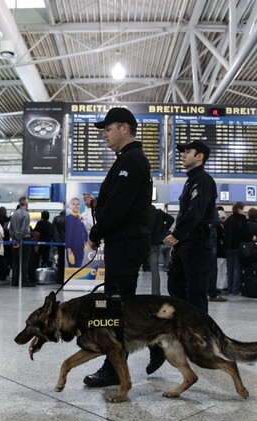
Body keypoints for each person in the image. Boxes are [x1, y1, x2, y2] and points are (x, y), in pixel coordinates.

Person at [81, 107, 152, 387]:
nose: (104, 135)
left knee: (113, 307)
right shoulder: (128, 159)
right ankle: (153, 346)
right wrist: (100, 205)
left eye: (108, 129)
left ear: (124, 128)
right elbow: (121, 203)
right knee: (118, 304)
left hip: (125, 243)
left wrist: (96, 233)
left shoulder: (131, 160)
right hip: (124, 242)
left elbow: (121, 209)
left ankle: (112, 369)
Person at [165, 140, 217, 312]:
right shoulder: (191, 180)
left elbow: (196, 212)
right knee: (176, 288)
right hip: (186, 244)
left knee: (195, 293)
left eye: (188, 152)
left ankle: (198, 335)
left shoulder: (202, 180)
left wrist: (176, 234)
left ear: (200, 156)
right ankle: (182, 331)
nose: (183, 155)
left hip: (197, 244)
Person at [223, 201, 255, 296]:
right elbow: (244, 230)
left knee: (230, 268)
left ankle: (230, 289)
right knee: (237, 267)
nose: (244, 212)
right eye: (243, 209)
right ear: (239, 209)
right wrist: (252, 237)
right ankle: (235, 290)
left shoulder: (228, 219)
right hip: (237, 246)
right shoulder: (241, 218)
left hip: (228, 247)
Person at [148, 204, 174, 295]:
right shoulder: (158, 213)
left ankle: (131, 294)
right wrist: (163, 231)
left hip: (142, 244)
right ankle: (156, 294)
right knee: (155, 272)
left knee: (133, 270)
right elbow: (171, 219)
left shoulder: (141, 212)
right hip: (154, 244)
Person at [9, 198, 34, 287]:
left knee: (15, 261)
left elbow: (10, 228)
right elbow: (24, 228)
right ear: (26, 204)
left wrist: (14, 238)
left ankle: (14, 281)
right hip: (24, 239)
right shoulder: (26, 214)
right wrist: (20, 239)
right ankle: (24, 281)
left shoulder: (14, 214)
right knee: (24, 261)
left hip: (15, 240)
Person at [65, 198, 88, 267]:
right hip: (72, 248)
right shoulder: (68, 218)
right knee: (72, 268)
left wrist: (86, 241)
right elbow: (67, 234)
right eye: (74, 204)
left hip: (80, 248)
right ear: (70, 206)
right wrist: (68, 248)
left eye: (77, 204)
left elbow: (84, 230)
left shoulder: (80, 218)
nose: (76, 206)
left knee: (78, 267)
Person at [51, 210, 65, 283]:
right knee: (65, 261)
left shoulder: (56, 218)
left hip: (58, 242)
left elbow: (52, 229)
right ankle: (64, 277)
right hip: (67, 242)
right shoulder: (68, 218)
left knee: (60, 260)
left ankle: (59, 278)